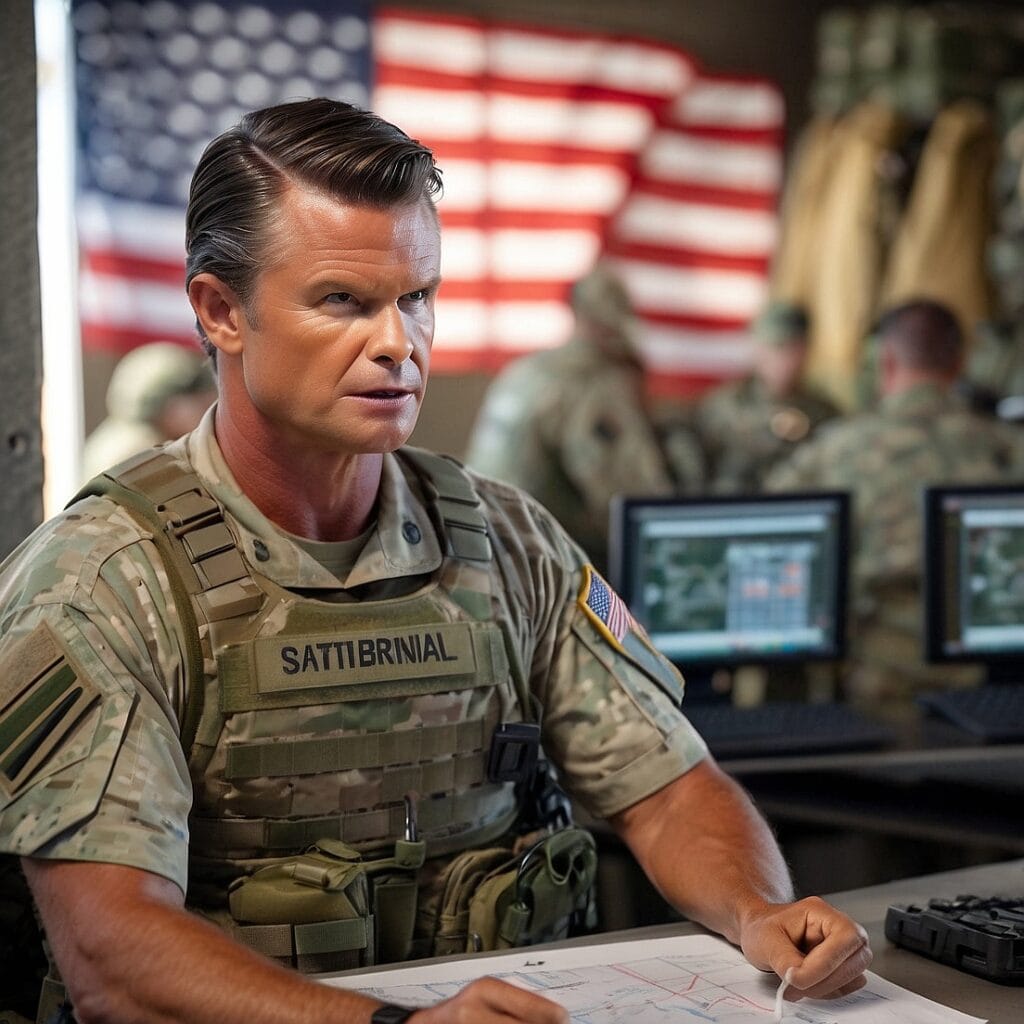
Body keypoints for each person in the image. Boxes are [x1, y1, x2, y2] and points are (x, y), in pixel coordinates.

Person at [0, 99, 870, 1024]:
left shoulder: (507, 540)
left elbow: (666, 789)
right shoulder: (108, 581)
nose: (397, 344)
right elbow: (113, 955)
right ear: (221, 311)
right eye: (343, 301)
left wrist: (759, 912)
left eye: (417, 297)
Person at [767, 299, 1024, 718]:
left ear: (883, 362)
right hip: (997, 690)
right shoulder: (1009, 447)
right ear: (959, 363)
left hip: (877, 692)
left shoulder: (838, 449)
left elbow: (766, 536)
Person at [464, 265, 703, 570]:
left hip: (482, 548)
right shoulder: (590, 385)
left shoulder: (525, 370)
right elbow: (630, 498)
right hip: (542, 569)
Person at [693, 301, 839, 493]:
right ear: (757, 348)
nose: (783, 359)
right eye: (774, 347)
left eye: (792, 348)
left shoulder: (824, 412)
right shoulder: (722, 407)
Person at [80, 341, 217, 482]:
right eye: (198, 400)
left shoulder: (119, 439)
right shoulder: (138, 451)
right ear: (172, 406)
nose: (206, 408)